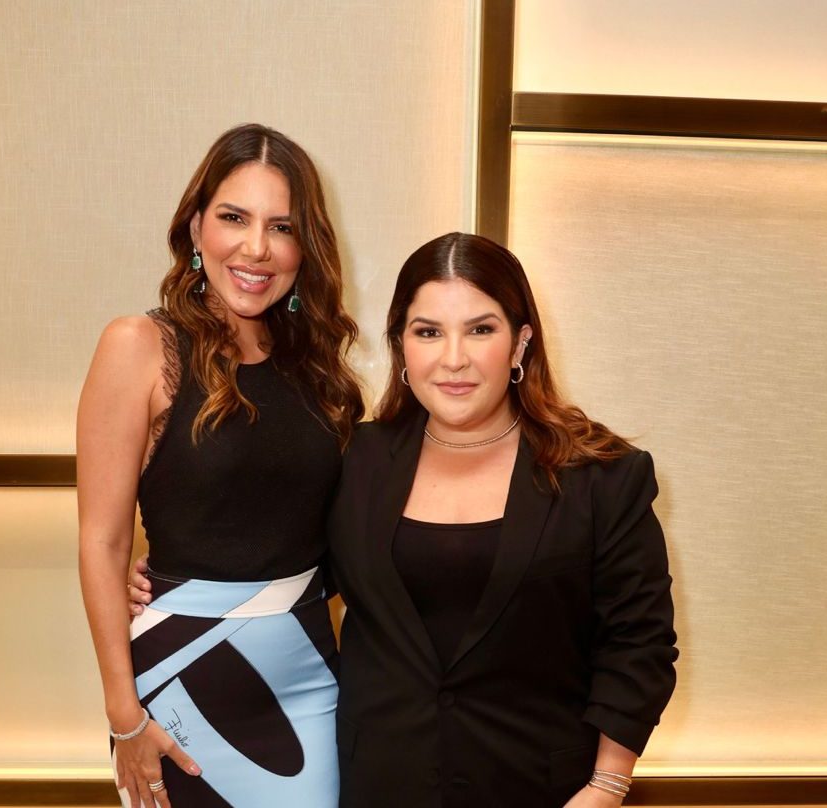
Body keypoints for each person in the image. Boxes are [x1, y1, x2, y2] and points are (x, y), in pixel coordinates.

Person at [129, 232, 677, 807]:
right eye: (428, 331)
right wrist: (162, 579)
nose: (454, 357)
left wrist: (607, 786)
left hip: (545, 789)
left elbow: (640, 644)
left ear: (520, 344)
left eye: (481, 329)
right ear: (401, 346)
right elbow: (277, 558)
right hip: (380, 785)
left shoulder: (602, 476)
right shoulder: (357, 460)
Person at [78, 123, 362, 808]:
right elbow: (103, 541)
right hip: (177, 680)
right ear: (197, 226)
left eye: (282, 226)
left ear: (305, 247)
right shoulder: (139, 346)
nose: (256, 247)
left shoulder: (319, 367)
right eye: (234, 217)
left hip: (311, 673)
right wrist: (125, 718)